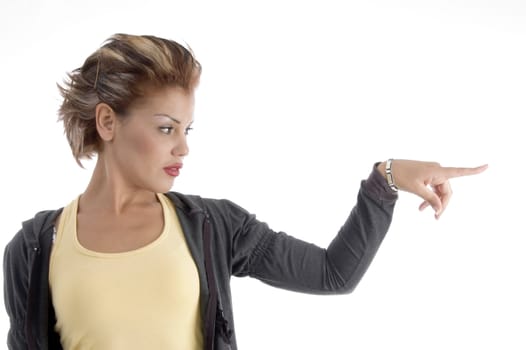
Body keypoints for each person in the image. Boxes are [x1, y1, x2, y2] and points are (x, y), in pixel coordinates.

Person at [2, 33, 488, 350]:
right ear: (108, 121)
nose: (184, 148)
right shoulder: (35, 248)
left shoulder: (213, 227)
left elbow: (331, 274)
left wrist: (385, 180)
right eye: (167, 128)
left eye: (189, 128)